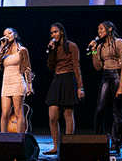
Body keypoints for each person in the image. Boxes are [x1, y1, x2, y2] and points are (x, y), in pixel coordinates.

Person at [87, 21, 122, 155]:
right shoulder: (100, 47)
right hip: (105, 76)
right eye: (98, 29)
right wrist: (93, 50)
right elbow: (97, 66)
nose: (99, 31)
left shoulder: (119, 42)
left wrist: (121, 86)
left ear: (110, 28)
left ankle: (115, 145)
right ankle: (98, 141)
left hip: (116, 76)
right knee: (99, 111)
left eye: (101, 28)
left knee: (116, 113)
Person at [44, 22, 84, 155]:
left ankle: (68, 146)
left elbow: (77, 67)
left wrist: (80, 87)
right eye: (51, 33)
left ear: (61, 32)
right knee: (52, 115)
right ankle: (56, 146)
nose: (53, 35)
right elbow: (50, 67)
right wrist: (51, 51)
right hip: (57, 79)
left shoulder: (72, 46)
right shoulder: (53, 47)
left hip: (68, 79)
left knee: (68, 114)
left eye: (55, 32)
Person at [0, 28, 34, 133]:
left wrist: (29, 86)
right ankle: (3, 139)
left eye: (9, 33)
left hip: (18, 81)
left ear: (15, 35)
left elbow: (27, 68)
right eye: (4, 34)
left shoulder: (22, 50)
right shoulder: (4, 50)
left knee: (18, 112)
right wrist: (1, 48)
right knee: (5, 113)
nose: (7, 35)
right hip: (6, 82)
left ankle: (19, 140)